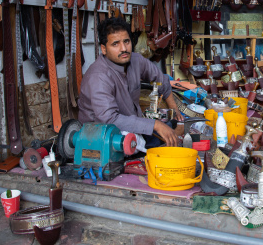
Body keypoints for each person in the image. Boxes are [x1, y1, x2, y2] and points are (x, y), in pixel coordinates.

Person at [78, 17, 184, 148]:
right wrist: (155, 125)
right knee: (155, 140)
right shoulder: (98, 76)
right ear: (104, 49)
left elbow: (161, 80)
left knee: (168, 130)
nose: (123, 48)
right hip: (99, 137)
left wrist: (175, 113)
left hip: (131, 127)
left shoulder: (136, 60)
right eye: (115, 44)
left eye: (126, 41)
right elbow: (110, 119)